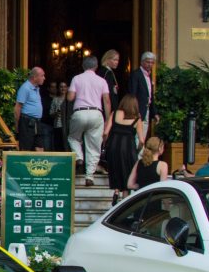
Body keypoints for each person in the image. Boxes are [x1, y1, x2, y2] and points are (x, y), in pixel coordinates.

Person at [67, 56, 111, 186]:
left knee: (73, 138)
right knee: (94, 146)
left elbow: (70, 97)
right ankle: (90, 176)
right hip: (96, 113)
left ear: (83, 66)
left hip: (79, 112)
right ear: (96, 67)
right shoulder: (101, 81)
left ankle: (79, 157)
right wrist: (108, 119)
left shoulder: (76, 78)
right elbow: (107, 101)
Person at [105, 94, 140, 202]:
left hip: (113, 146)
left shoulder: (114, 113)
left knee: (116, 168)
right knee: (128, 172)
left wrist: (106, 143)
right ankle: (124, 199)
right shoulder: (137, 118)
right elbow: (142, 140)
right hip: (129, 148)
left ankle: (116, 191)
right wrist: (138, 149)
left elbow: (105, 132)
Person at [128, 51, 157, 147]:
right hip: (138, 111)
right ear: (142, 62)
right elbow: (132, 94)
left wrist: (155, 112)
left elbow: (150, 96)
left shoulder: (148, 76)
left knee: (142, 137)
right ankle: (136, 159)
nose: (150, 65)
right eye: (148, 62)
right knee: (138, 137)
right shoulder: (136, 74)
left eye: (152, 62)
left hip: (146, 110)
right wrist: (135, 110)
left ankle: (139, 158)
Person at [13, 66, 46, 151]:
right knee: (25, 147)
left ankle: (40, 164)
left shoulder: (37, 88)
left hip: (37, 122)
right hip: (26, 121)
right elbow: (17, 107)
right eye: (42, 76)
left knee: (40, 147)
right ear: (35, 77)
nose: (44, 78)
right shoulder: (25, 88)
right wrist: (17, 125)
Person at [49, 80, 69, 151]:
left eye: (65, 87)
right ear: (58, 88)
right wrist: (56, 113)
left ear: (68, 88)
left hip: (68, 126)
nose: (63, 88)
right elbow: (51, 113)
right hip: (58, 125)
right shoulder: (55, 99)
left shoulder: (70, 99)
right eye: (61, 87)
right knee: (58, 145)